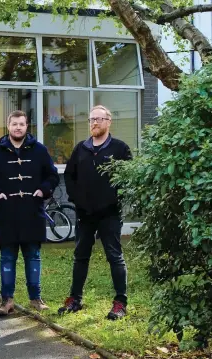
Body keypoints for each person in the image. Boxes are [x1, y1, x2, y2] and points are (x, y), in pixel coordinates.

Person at [59, 105, 132, 320]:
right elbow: (69, 176)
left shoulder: (120, 149)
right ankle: (75, 299)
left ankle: (120, 303)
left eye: (99, 119)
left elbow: (127, 179)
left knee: (115, 257)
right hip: (85, 214)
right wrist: (76, 199)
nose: (94, 123)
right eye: (91, 119)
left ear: (109, 121)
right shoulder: (81, 148)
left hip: (109, 214)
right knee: (80, 256)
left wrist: (113, 199)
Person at [0, 110, 59, 317]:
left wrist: (43, 190)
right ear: (8, 126)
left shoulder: (39, 151)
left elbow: (52, 176)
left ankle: (35, 298)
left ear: (27, 126)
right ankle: (7, 300)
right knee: (7, 258)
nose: (18, 127)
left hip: (32, 212)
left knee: (33, 257)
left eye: (22, 124)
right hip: (6, 214)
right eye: (14, 124)